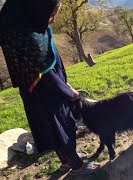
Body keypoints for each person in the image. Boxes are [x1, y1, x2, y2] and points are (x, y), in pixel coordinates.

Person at [0, 0, 98, 175]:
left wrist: (64, 82)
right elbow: (46, 74)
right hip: (47, 94)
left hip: (44, 92)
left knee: (54, 128)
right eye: (51, 14)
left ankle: (66, 161)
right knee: (60, 128)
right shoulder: (26, 37)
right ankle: (77, 166)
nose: (52, 20)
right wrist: (69, 91)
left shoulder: (31, 27)